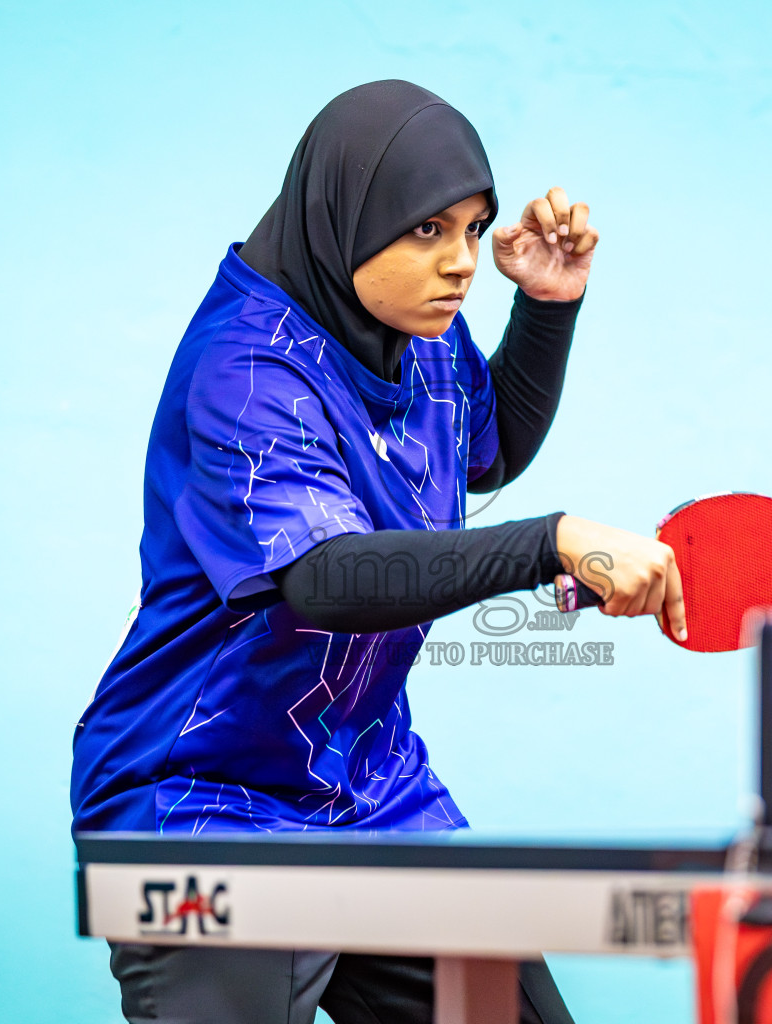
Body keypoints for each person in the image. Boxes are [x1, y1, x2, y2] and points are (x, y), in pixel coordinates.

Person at [72, 80, 685, 1024]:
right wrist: (553, 543)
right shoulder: (244, 370)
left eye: (474, 230)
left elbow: (487, 449)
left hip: (366, 782)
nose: (463, 264)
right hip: (203, 801)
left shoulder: (417, 333)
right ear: (344, 217)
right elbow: (325, 580)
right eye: (428, 231)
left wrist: (550, 309)